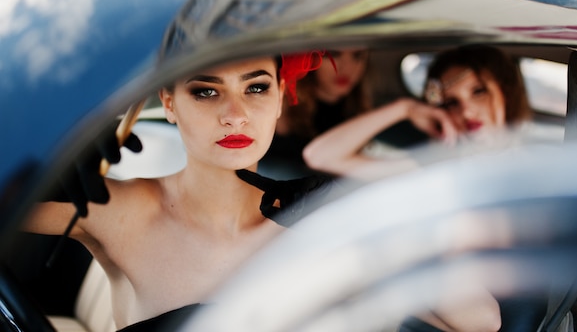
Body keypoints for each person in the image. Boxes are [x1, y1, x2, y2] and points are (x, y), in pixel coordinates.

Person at [23, 55, 330, 331]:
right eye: (206, 91)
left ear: (279, 98)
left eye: (256, 88)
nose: (236, 115)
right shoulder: (119, 211)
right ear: (169, 104)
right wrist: (45, 156)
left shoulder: (316, 229)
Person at [303, 44, 532, 181]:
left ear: (506, 94)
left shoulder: (544, 163)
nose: (467, 110)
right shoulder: (431, 168)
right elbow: (319, 156)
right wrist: (405, 108)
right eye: (452, 102)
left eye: (478, 91)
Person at [262, 47, 372, 176]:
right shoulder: (282, 106)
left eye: (357, 56)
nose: (346, 68)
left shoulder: (358, 109)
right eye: (332, 55)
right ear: (310, 58)